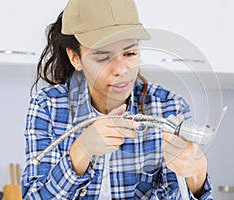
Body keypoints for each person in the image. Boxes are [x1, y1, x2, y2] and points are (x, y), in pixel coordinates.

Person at [21, 0, 213, 199]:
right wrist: (81, 151)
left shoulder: (169, 108)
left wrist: (196, 179)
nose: (121, 70)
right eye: (103, 58)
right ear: (75, 58)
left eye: (130, 53)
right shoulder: (47, 107)